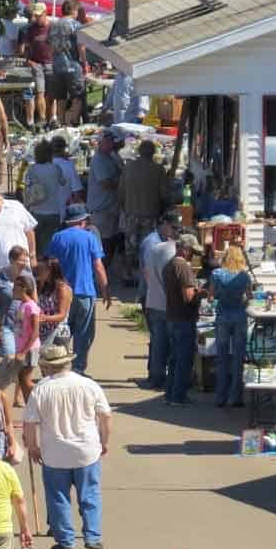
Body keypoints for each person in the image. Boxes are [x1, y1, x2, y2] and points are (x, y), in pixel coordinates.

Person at [23, 345, 111, 549]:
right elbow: (105, 416)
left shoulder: (41, 389)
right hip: (86, 450)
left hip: (55, 452)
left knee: (58, 497)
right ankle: (93, 537)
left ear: (46, 367)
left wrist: (33, 446)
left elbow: (29, 423)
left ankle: (66, 540)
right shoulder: (88, 385)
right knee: (90, 494)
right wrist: (104, 442)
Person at [48, 204, 110, 375]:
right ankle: (78, 369)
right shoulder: (90, 238)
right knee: (84, 333)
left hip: (60, 292)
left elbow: (50, 264)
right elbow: (98, 265)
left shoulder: (57, 238)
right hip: (85, 292)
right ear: (82, 221)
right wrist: (105, 289)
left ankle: (58, 365)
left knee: (62, 329)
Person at [162, 234, 206, 408]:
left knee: (174, 359)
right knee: (184, 359)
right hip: (183, 319)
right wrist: (201, 293)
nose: (192, 255)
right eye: (191, 251)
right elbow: (188, 297)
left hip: (172, 317)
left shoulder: (169, 265)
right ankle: (178, 396)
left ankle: (170, 394)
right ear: (184, 249)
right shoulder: (182, 267)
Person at [119, 140, 172, 281]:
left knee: (130, 247)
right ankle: (146, 278)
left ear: (139, 152)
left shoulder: (128, 168)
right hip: (150, 215)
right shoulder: (158, 170)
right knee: (148, 248)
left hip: (131, 214)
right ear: (153, 153)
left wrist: (125, 208)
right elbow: (165, 195)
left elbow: (120, 192)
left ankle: (128, 274)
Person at [139, 211, 180, 390]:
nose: (175, 232)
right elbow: (148, 272)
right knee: (159, 340)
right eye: (174, 227)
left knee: (158, 340)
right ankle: (156, 377)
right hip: (154, 297)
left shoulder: (162, 243)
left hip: (155, 297)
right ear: (164, 224)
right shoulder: (152, 243)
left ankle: (155, 375)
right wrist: (161, 291)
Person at [210, 244, 252, 407]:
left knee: (222, 357)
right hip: (240, 316)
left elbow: (211, 297)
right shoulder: (244, 275)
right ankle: (236, 397)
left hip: (223, 316)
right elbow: (249, 297)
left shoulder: (217, 273)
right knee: (238, 357)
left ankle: (220, 396)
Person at [0, 273, 40, 401]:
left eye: (15, 287)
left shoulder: (31, 306)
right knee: (21, 379)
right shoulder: (21, 305)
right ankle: (30, 407)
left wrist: (24, 351)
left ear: (23, 288)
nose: (12, 290)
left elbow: (35, 332)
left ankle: (42, 397)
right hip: (22, 348)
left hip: (30, 349)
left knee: (25, 380)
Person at [24, 139, 69, 256]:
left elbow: (27, 186)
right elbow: (63, 182)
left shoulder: (32, 169)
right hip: (54, 211)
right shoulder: (56, 168)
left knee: (36, 247)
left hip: (36, 211)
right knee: (50, 247)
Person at [87, 131, 123, 272]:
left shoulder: (111, 157)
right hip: (101, 210)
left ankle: (104, 271)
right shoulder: (99, 160)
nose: (111, 143)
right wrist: (123, 183)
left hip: (110, 209)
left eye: (112, 141)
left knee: (111, 241)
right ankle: (100, 273)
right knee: (104, 244)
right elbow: (106, 184)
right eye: (108, 141)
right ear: (100, 143)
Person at [47, 0, 86, 126]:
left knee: (60, 97)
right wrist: (84, 62)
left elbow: (50, 47)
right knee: (77, 95)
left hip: (57, 66)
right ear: (74, 10)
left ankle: (61, 122)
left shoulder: (53, 25)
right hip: (72, 65)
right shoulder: (76, 25)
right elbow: (81, 46)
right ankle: (74, 122)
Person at [0, 245, 32, 354]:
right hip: (6, 325)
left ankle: (1, 348)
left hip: (23, 325)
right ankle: (2, 347)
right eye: (21, 260)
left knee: (23, 360)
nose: (24, 264)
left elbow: (34, 301)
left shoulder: (28, 277)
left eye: (26, 261)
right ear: (12, 260)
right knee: (10, 356)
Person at [18, 2, 51, 132]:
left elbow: (21, 49)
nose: (35, 18)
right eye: (34, 16)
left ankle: (49, 119)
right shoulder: (28, 29)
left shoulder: (52, 27)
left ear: (45, 13)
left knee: (47, 94)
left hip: (48, 63)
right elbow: (23, 49)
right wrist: (28, 60)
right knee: (38, 93)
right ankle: (39, 120)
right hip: (35, 65)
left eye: (38, 16)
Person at [37, 256, 72, 348]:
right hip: (42, 332)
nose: (38, 272)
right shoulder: (44, 285)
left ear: (50, 271)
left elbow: (62, 315)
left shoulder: (62, 288)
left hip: (57, 333)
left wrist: (44, 318)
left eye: (41, 269)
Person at [51, 135, 84, 202]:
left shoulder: (42, 164)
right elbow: (77, 192)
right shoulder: (69, 165)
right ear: (63, 149)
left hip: (44, 209)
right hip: (63, 208)